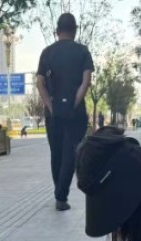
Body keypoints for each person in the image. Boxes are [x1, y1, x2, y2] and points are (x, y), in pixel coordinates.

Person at [36, 12, 94, 211]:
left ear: (57, 31)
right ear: (75, 30)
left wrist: (52, 107)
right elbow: (86, 81)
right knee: (70, 153)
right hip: (75, 114)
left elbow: (40, 83)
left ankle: (59, 193)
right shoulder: (83, 52)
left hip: (52, 114)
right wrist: (74, 104)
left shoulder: (47, 52)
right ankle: (61, 196)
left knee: (56, 153)